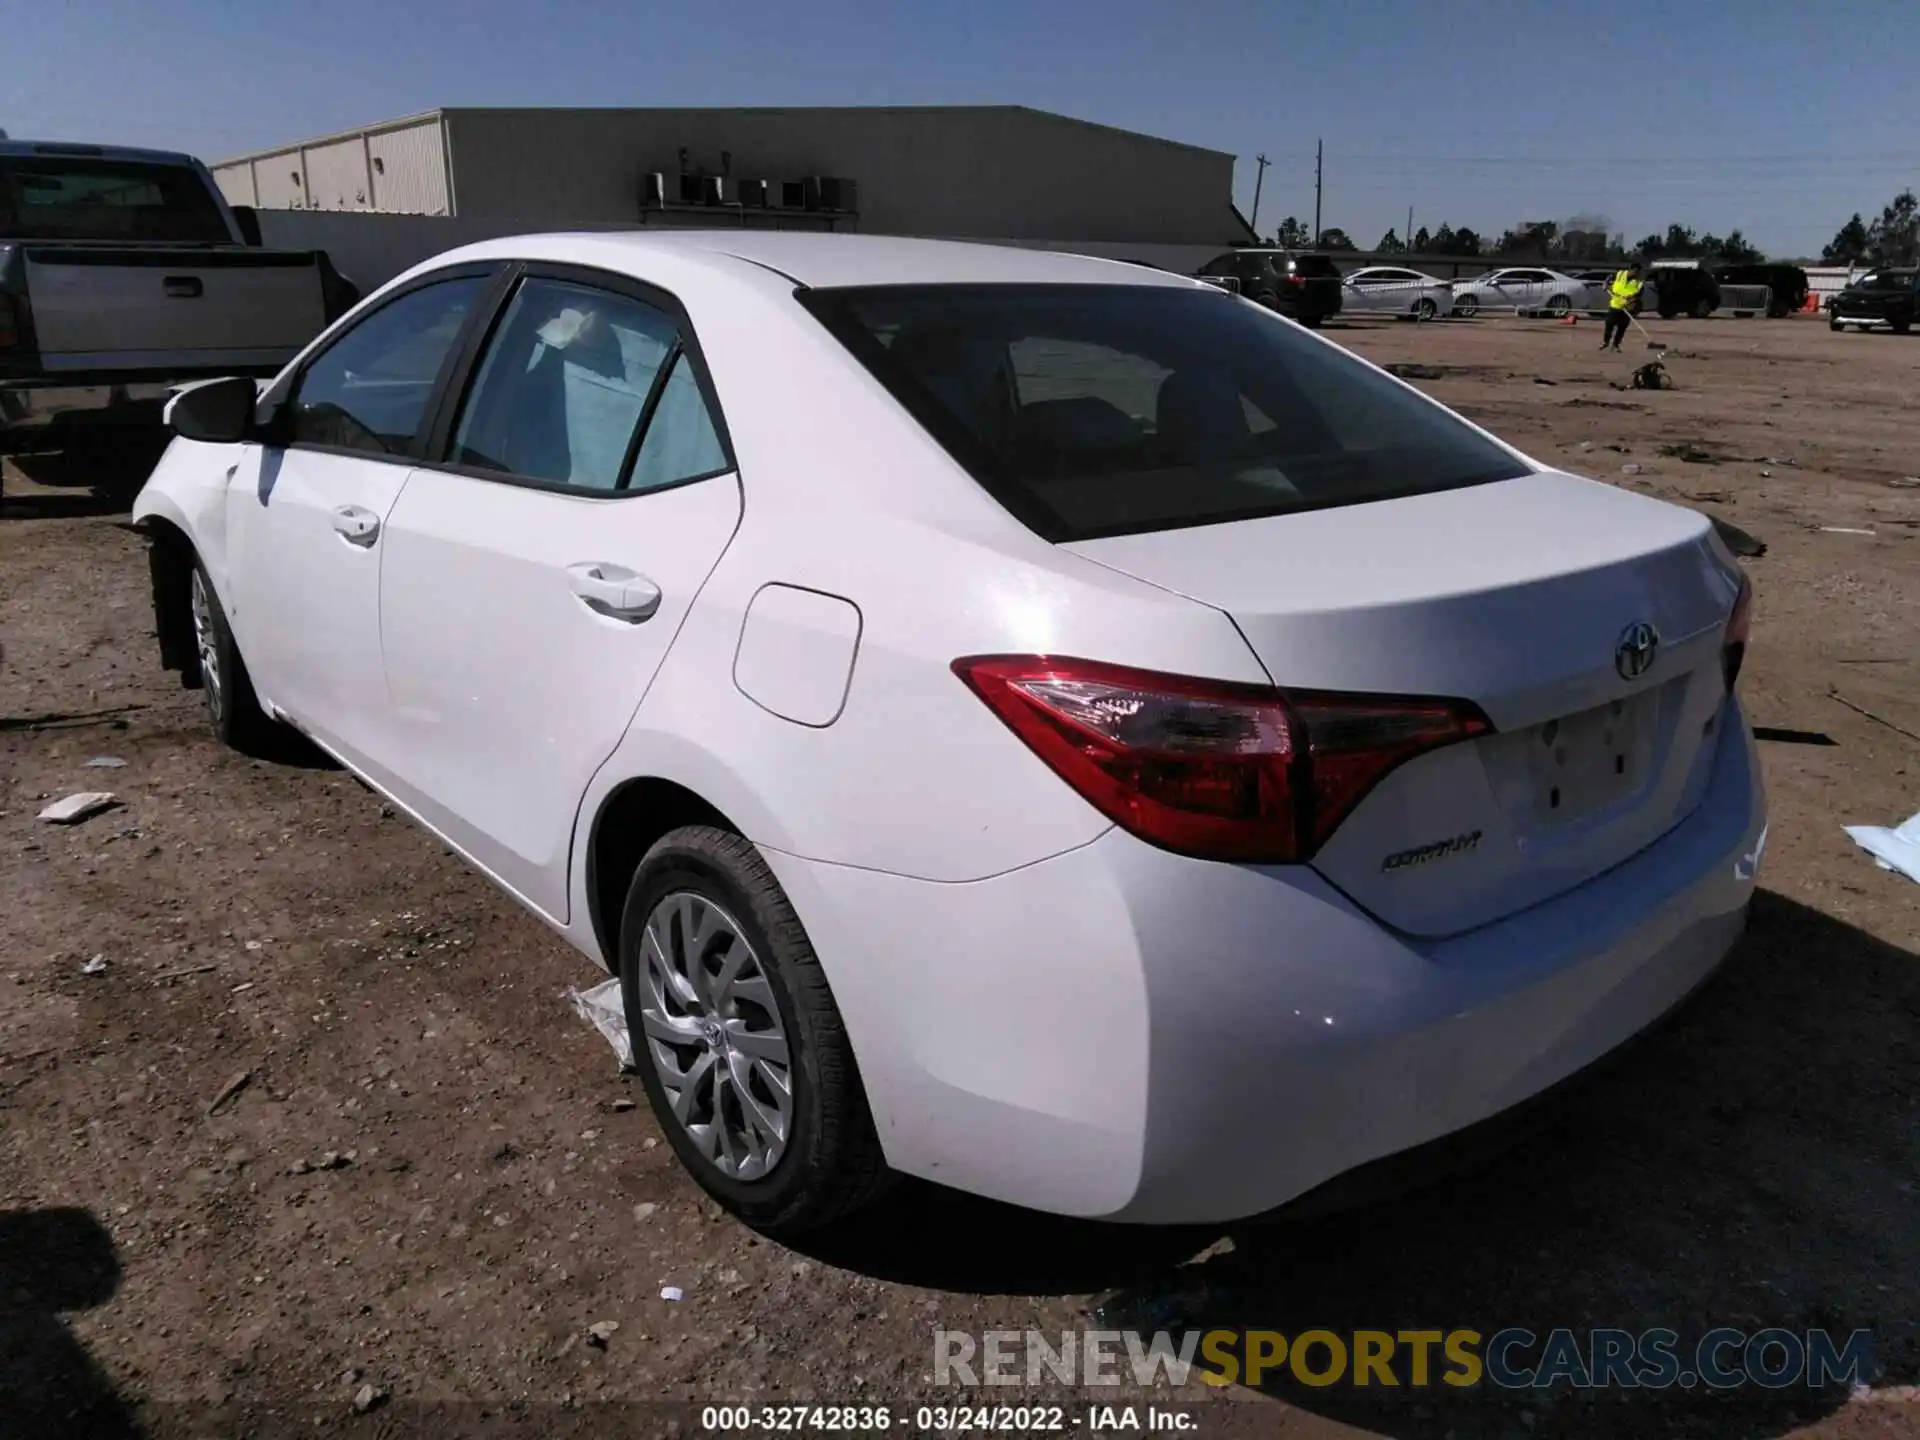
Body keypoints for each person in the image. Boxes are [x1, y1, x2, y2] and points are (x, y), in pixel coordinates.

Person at [1602, 262, 1645, 352]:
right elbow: (1609, 277)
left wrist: (1630, 301)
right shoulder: (1620, 274)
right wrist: (1605, 284)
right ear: (1631, 269)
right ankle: (1606, 342)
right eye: (1635, 271)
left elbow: (1638, 296)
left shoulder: (1639, 283)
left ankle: (1616, 345)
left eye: (1638, 272)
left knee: (1622, 327)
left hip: (1628, 307)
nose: (1636, 274)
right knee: (1609, 324)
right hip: (1615, 304)